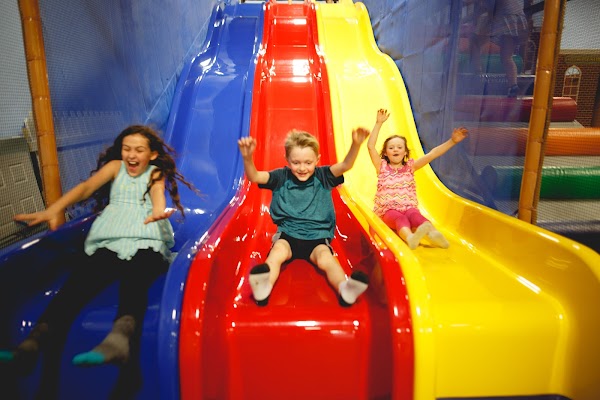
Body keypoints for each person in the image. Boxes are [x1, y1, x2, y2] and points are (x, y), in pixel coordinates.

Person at [0, 125, 197, 395]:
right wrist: (53, 209)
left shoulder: (154, 172)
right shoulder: (116, 167)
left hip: (144, 232)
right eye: (127, 149)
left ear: (151, 155)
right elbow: (86, 187)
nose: (131, 155)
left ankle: (120, 338)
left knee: (135, 277)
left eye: (139, 150)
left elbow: (157, 195)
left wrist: (158, 212)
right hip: (111, 234)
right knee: (80, 281)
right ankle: (34, 342)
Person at [238, 128, 370, 307]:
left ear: (317, 159)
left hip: (317, 237)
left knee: (325, 258)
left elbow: (346, 165)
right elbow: (254, 176)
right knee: (278, 252)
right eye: (296, 162)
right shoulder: (281, 177)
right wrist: (247, 158)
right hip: (288, 235)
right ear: (287, 160)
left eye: (308, 162)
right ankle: (264, 287)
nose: (302, 168)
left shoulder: (323, 176)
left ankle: (345, 289)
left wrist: (356, 145)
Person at [367, 109, 468, 250]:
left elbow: (432, 154)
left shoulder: (411, 166)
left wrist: (452, 141)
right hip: (388, 210)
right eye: (391, 147)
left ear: (405, 152)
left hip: (409, 207)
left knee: (416, 216)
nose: (395, 149)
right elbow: (370, 147)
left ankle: (435, 235)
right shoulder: (381, 166)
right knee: (400, 219)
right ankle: (410, 238)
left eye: (399, 147)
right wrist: (378, 123)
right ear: (385, 153)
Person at [468, 0, 528, 97]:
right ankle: (513, 86)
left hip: (501, 16)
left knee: (475, 43)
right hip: (513, 17)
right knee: (506, 57)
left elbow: (485, 8)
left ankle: (477, 74)